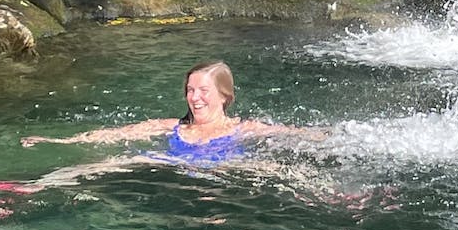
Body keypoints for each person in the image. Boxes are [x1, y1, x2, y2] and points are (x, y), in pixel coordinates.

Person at [19, 60, 324, 168]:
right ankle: (29, 189)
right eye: (191, 90)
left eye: (204, 91)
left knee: (276, 169)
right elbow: (117, 134)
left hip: (230, 168)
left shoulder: (244, 127)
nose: (195, 98)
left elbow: (293, 134)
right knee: (109, 162)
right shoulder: (172, 126)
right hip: (176, 165)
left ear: (224, 95)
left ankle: (336, 197)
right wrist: (58, 142)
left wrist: (330, 137)